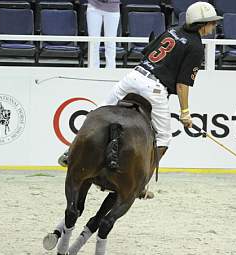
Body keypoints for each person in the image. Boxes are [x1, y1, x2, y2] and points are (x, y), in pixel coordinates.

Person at [59, 1, 222, 173]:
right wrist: (185, 112)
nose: (214, 26)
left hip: (133, 77)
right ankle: (143, 179)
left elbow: (148, 51)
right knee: (164, 137)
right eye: (212, 22)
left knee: (97, 113)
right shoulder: (196, 46)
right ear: (202, 23)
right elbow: (182, 85)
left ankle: (71, 152)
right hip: (154, 89)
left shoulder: (173, 29)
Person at [86, 0, 121, 69]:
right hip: (94, 6)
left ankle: (110, 68)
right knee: (93, 42)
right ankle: (93, 68)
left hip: (113, 7)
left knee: (110, 41)